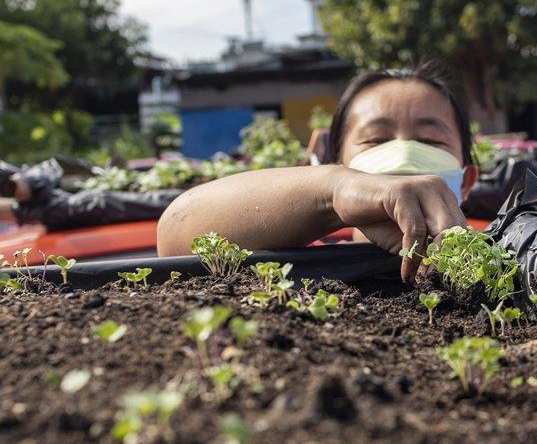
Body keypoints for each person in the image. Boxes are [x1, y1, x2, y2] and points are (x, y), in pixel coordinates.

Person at [156, 67, 479, 283]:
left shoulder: (507, 252)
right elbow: (174, 234)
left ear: (466, 181)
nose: (404, 151)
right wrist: (334, 193)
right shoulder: (301, 252)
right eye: (376, 140)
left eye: (430, 140)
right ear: (336, 164)